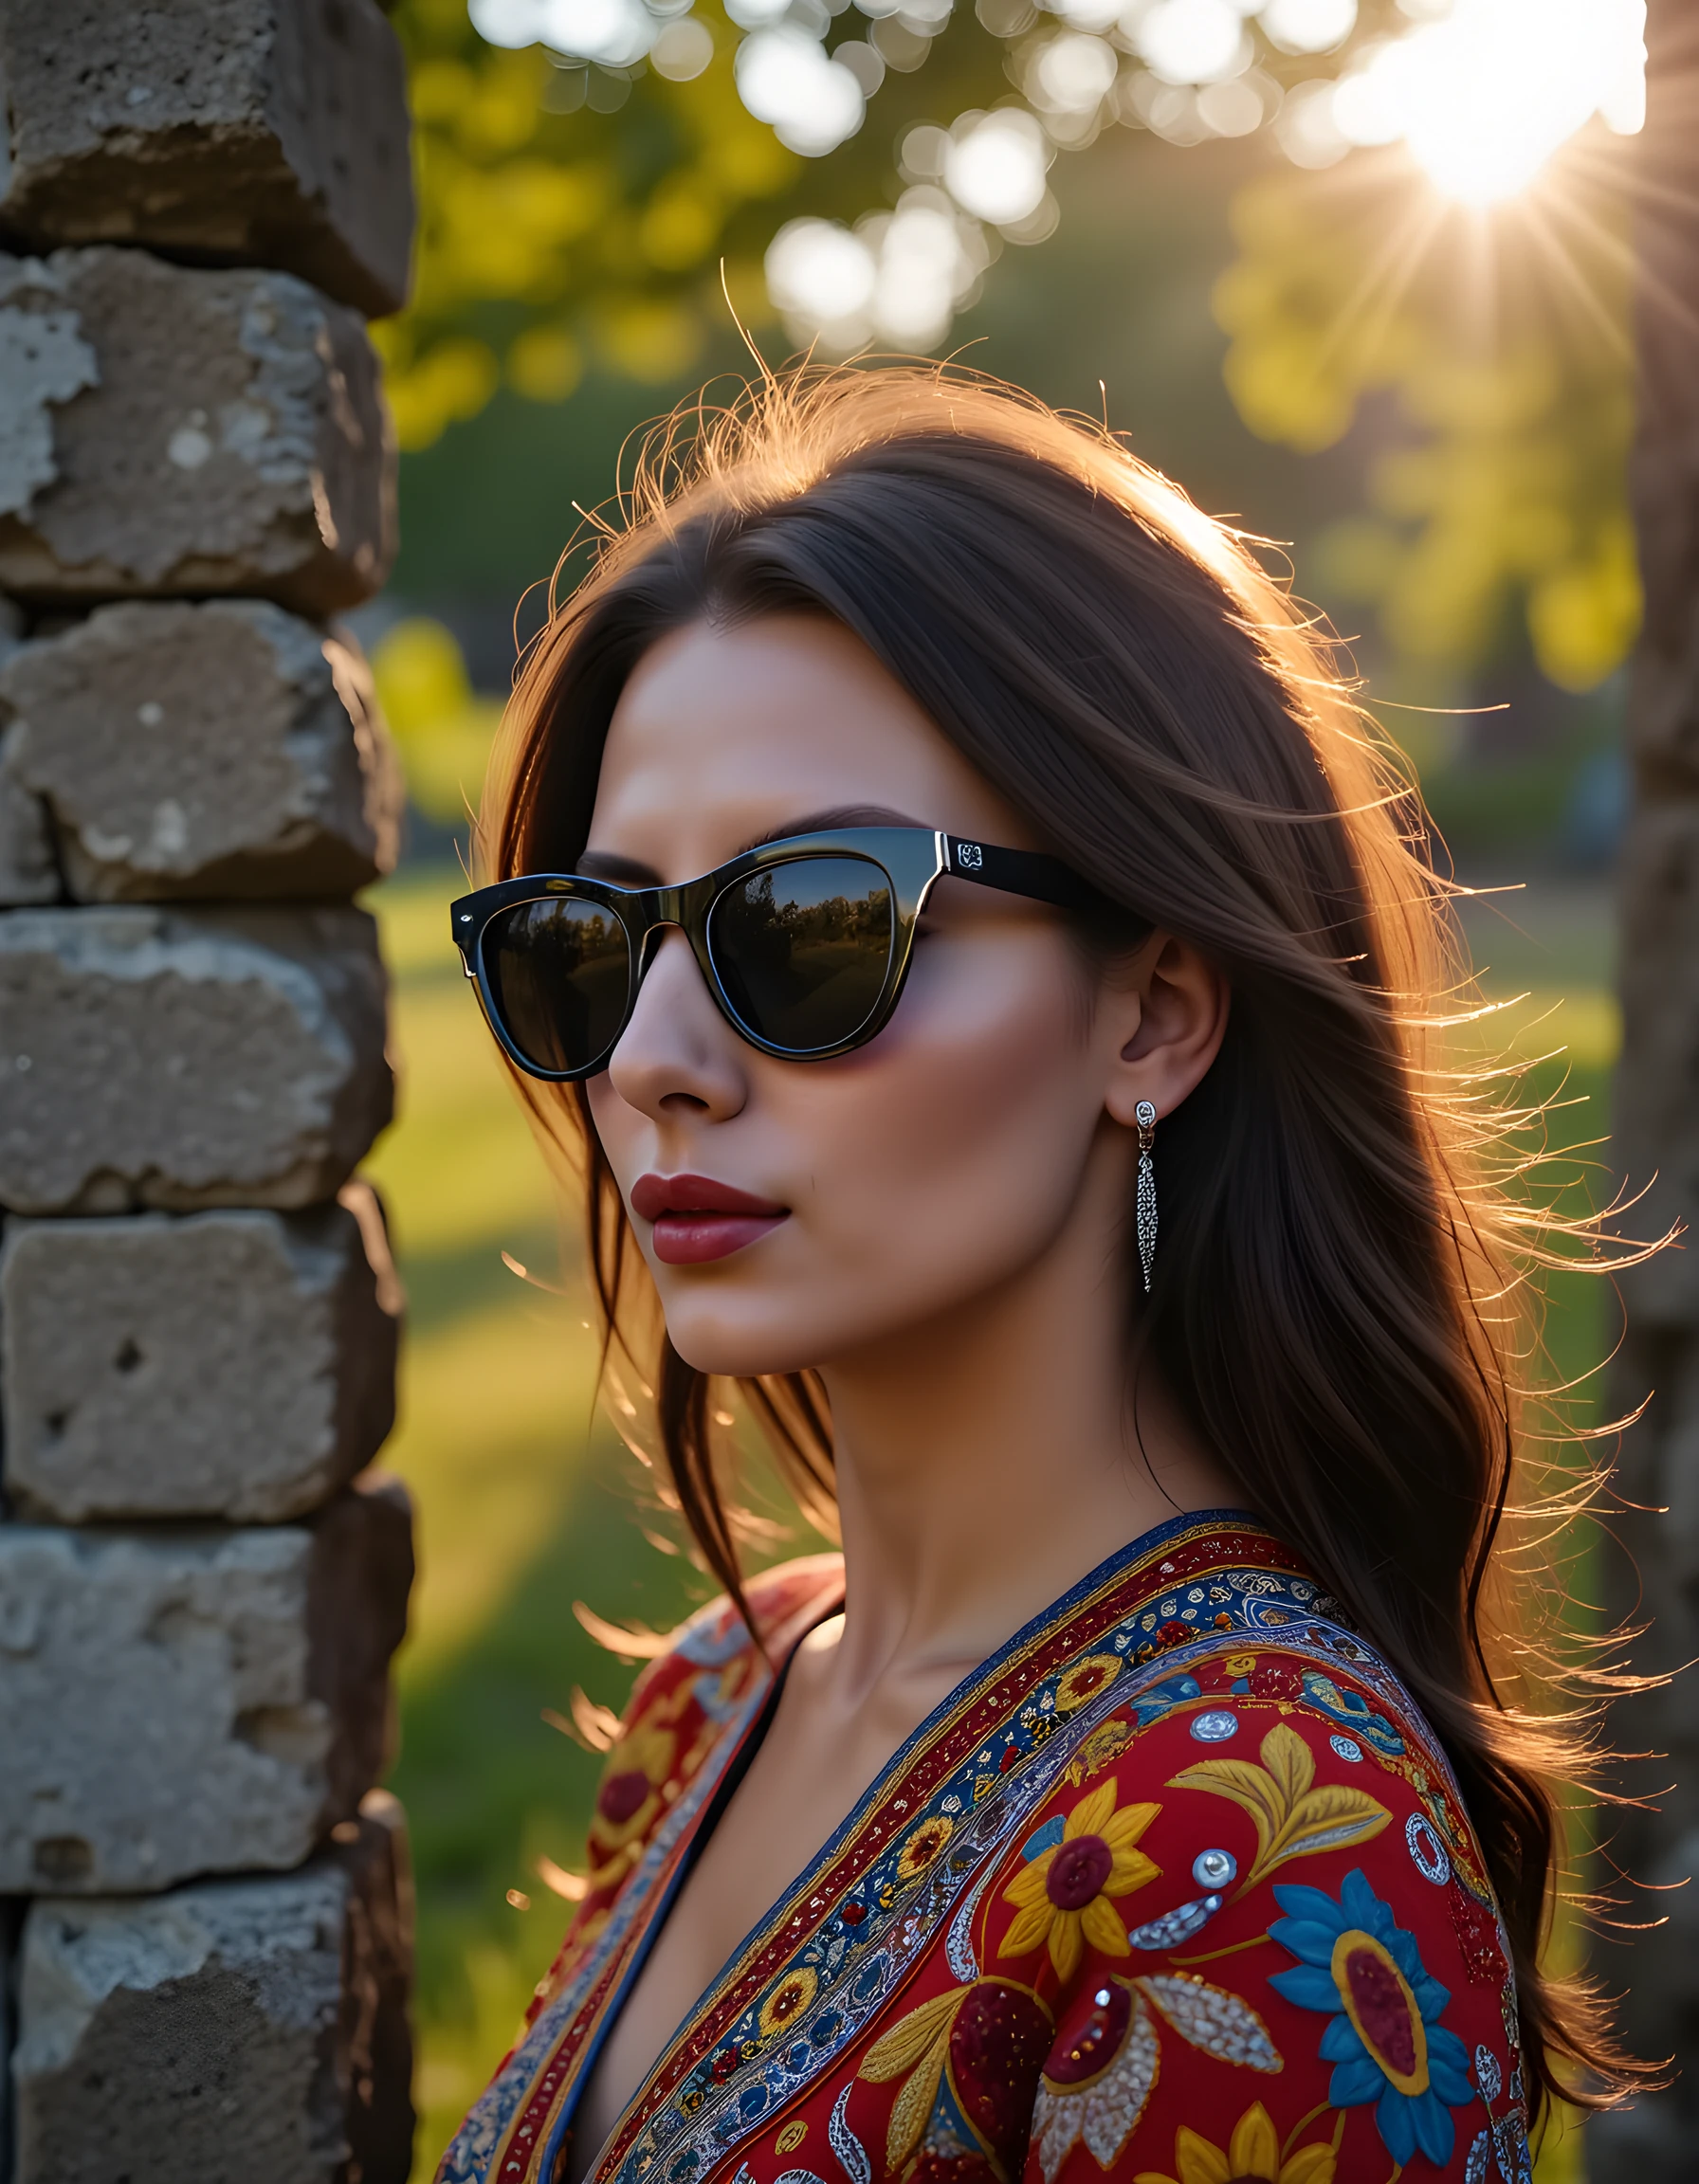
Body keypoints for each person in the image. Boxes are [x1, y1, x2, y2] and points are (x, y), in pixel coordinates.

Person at [437, 368, 1639, 2184]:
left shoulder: (1269, 1857)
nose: (655, 1055)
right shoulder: (718, 1692)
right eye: (589, 948)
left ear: (1149, 1012)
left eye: (812, 922)